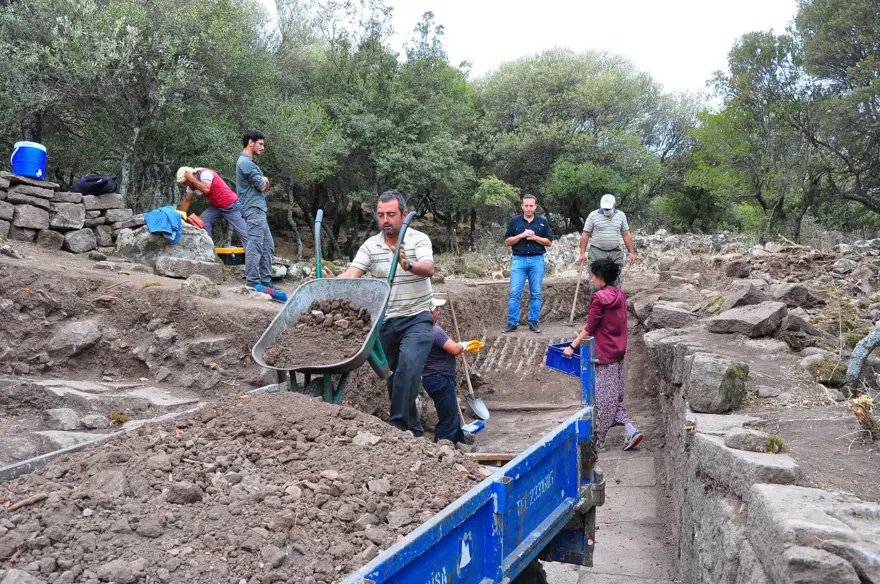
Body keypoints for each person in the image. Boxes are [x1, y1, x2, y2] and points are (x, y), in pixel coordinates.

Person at [325, 190, 435, 436]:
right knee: (394, 378)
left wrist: (409, 265)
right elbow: (352, 275)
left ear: (404, 215)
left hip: (417, 317)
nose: (386, 220)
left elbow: (428, 269)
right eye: (381, 215)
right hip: (385, 321)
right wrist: (327, 280)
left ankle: (396, 426)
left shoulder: (418, 240)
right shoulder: (371, 245)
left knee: (408, 368)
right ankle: (413, 431)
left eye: (391, 214)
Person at [563, 259, 642, 452]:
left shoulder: (599, 298)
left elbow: (590, 327)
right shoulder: (620, 294)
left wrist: (572, 347)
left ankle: (600, 440)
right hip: (618, 350)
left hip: (603, 353)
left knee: (603, 397)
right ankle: (630, 429)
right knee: (617, 395)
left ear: (600, 277)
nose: (592, 279)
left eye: (593, 275)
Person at [422, 297, 482, 444]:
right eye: (436, 309)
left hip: (433, 378)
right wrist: (465, 345)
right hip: (439, 378)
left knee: (451, 413)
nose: (439, 312)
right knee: (448, 418)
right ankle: (443, 448)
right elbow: (454, 349)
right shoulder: (435, 331)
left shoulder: (420, 330)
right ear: (429, 312)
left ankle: (458, 442)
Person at [235, 129, 286, 302]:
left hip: (258, 209)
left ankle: (265, 281)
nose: (263, 148)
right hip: (253, 209)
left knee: (268, 245)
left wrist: (264, 181)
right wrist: (264, 180)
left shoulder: (249, 162)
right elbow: (262, 185)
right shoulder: (246, 163)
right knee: (255, 245)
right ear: (251, 142)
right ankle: (252, 282)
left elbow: (263, 184)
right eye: (260, 144)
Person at [503, 194, 553, 334]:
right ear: (522, 206)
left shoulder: (542, 222)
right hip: (518, 260)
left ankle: (534, 322)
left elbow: (549, 242)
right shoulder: (514, 222)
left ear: (535, 206)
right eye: (526, 205)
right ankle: (512, 323)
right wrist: (521, 235)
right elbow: (507, 242)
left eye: (531, 205)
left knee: (536, 293)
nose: (529, 208)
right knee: (514, 293)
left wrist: (535, 237)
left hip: (537, 260)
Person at [175, 167, 247, 247]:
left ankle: (254, 257)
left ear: (191, 175)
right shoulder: (191, 186)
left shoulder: (205, 174)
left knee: (244, 233)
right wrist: (180, 217)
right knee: (203, 221)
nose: (185, 184)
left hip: (230, 205)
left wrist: (192, 179)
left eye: (185, 182)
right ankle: (208, 249)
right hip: (218, 207)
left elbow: (206, 189)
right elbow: (187, 201)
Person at [577, 194, 636, 288]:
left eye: (608, 209)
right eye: (605, 208)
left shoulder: (621, 215)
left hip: (615, 252)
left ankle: (615, 302)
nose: (606, 210)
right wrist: (582, 253)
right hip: (597, 251)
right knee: (596, 281)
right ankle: (596, 301)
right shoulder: (593, 215)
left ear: (614, 205)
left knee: (615, 280)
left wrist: (631, 252)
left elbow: (626, 234)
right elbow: (585, 234)